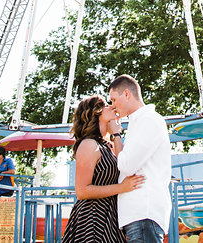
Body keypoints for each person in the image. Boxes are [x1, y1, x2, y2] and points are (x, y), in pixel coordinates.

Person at [62, 95, 146, 243]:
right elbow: (81, 191)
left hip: (110, 217)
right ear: (96, 113)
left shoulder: (108, 146)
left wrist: (116, 135)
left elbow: (124, 164)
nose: (112, 107)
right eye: (107, 105)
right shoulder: (89, 145)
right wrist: (121, 188)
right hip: (92, 219)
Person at [107, 75, 172, 243]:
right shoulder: (139, 122)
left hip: (144, 211)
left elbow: (127, 165)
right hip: (138, 214)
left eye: (114, 99)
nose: (113, 106)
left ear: (127, 94)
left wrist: (115, 135)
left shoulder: (148, 120)